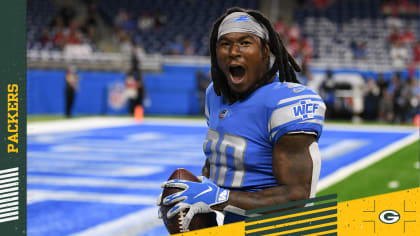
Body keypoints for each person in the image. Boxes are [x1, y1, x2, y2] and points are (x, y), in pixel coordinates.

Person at [159, 7, 326, 231]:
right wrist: (197, 193)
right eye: (225, 44)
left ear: (265, 50)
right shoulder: (215, 95)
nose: (233, 52)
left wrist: (221, 197)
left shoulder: (286, 102)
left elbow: (297, 197)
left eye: (245, 43)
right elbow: (218, 158)